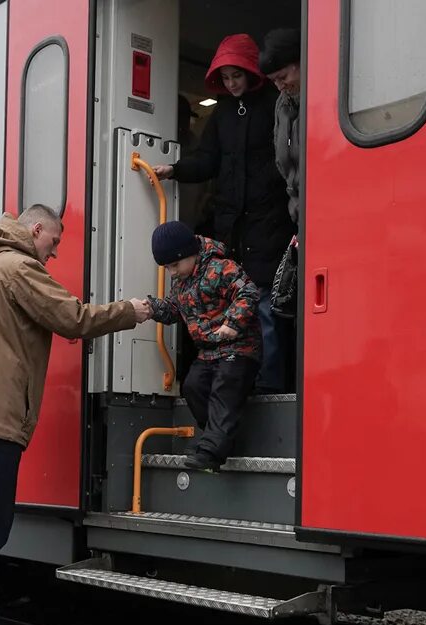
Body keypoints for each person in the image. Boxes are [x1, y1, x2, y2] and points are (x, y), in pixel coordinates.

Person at [0, 205, 151, 625]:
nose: (54, 253)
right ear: (36, 230)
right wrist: (131, 312)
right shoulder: (20, 267)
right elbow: (73, 317)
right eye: (53, 242)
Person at [153, 33, 294, 394]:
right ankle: (239, 381)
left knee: (266, 303)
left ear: (251, 71)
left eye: (237, 75)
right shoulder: (222, 114)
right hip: (232, 225)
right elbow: (208, 161)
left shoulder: (274, 104)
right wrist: (176, 169)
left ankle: (270, 384)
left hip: (268, 220)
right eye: (226, 77)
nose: (231, 84)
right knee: (236, 303)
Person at [146, 220, 260, 472]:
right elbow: (174, 309)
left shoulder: (221, 268)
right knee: (193, 386)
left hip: (239, 347)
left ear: (190, 253)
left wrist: (232, 323)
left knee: (224, 386)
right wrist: (151, 308)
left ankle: (211, 450)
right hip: (209, 352)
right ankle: (219, 438)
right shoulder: (182, 282)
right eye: (167, 268)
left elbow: (249, 293)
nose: (171, 272)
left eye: (174, 265)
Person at [259, 28, 302, 229]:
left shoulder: (324, 97)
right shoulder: (281, 104)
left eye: (283, 77)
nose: (279, 86)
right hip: (299, 213)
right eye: (273, 81)